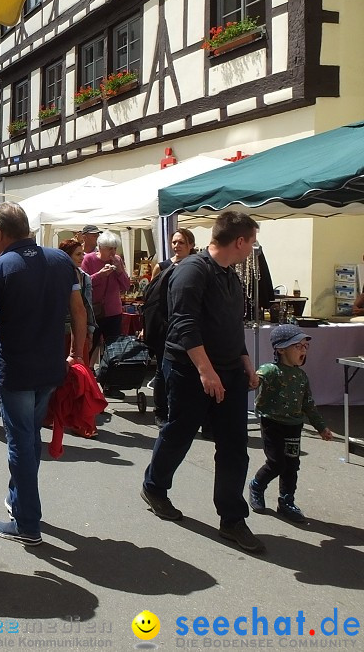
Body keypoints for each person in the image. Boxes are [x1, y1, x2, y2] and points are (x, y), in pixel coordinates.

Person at [141, 211, 265, 553]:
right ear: (239, 241)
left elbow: (230, 327)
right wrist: (206, 371)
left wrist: (246, 363)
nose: (252, 249)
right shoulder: (191, 271)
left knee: (234, 445)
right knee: (179, 433)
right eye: (251, 242)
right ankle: (154, 486)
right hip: (188, 368)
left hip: (228, 370)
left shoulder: (231, 277)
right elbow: (184, 325)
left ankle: (232, 518)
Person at [0, 203, 86, 545]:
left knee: (20, 443)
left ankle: (27, 522)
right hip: (50, 367)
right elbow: (79, 311)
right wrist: (77, 354)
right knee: (28, 441)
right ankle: (18, 500)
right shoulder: (60, 261)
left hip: (16, 369)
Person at [248, 325, 334, 523]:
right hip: (273, 423)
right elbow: (255, 380)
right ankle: (257, 485)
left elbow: (309, 405)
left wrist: (321, 427)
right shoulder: (270, 370)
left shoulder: (302, 377)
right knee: (277, 463)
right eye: (298, 346)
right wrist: (251, 381)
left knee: (292, 466)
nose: (303, 350)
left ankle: (286, 501)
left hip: (294, 425)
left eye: (305, 346)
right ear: (281, 349)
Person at [149, 228, 197, 423]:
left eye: (181, 243)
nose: (176, 246)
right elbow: (151, 299)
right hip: (165, 326)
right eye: (174, 242)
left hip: (188, 325)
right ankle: (161, 411)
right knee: (162, 369)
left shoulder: (197, 266)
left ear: (191, 245)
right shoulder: (162, 267)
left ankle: (185, 410)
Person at [81, 232, 130, 354]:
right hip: (94, 313)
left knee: (113, 349)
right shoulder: (88, 259)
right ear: (100, 247)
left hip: (114, 312)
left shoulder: (117, 260)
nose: (113, 252)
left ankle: (108, 372)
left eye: (115, 248)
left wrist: (119, 270)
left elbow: (126, 286)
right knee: (90, 347)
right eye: (109, 249)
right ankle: (88, 372)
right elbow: (83, 284)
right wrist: (99, 275)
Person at [59, 239, 97, 367]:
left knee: (78, 373)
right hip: (61, 331)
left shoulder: (85, 277)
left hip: (79, 331)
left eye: (82, 254)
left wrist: (90, 330)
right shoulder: (56, 275)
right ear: (66, 255)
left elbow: (88, 306)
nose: (82, 257)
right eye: (78, 254)